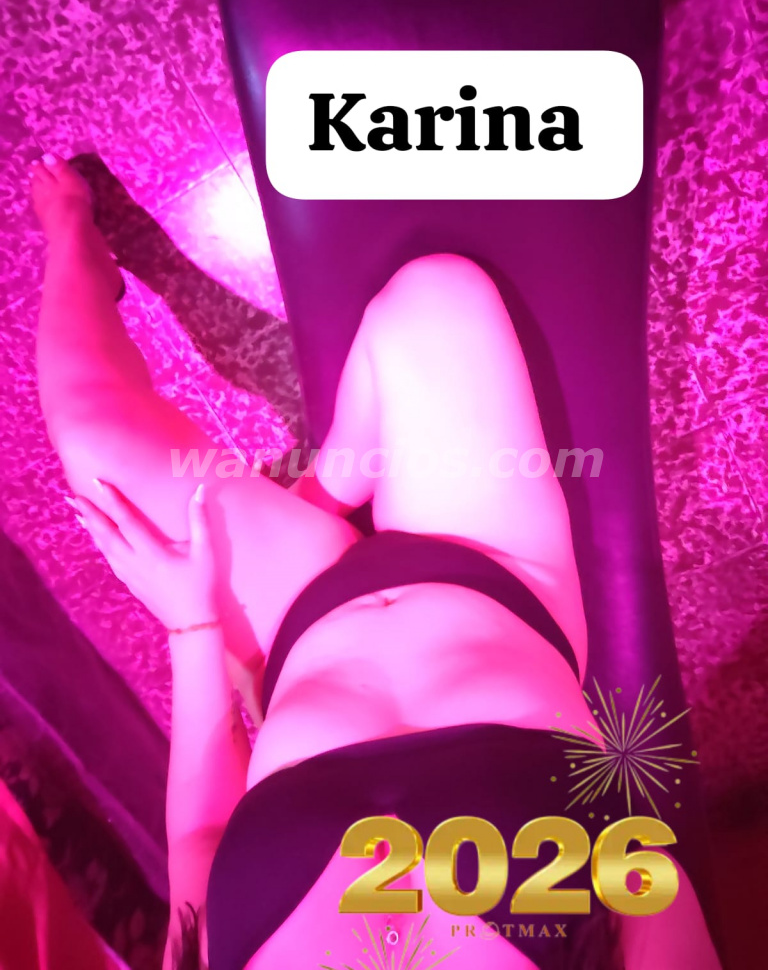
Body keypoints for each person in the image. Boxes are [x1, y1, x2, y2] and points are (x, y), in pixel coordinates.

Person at [30, 154, 722, 970]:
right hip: (489, 573)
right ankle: (333, 482)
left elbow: (200, 835)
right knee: (433, 295)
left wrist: (191, 623)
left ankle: (72, 238)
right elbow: (651, 870)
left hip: (291, 629)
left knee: (94, 445)